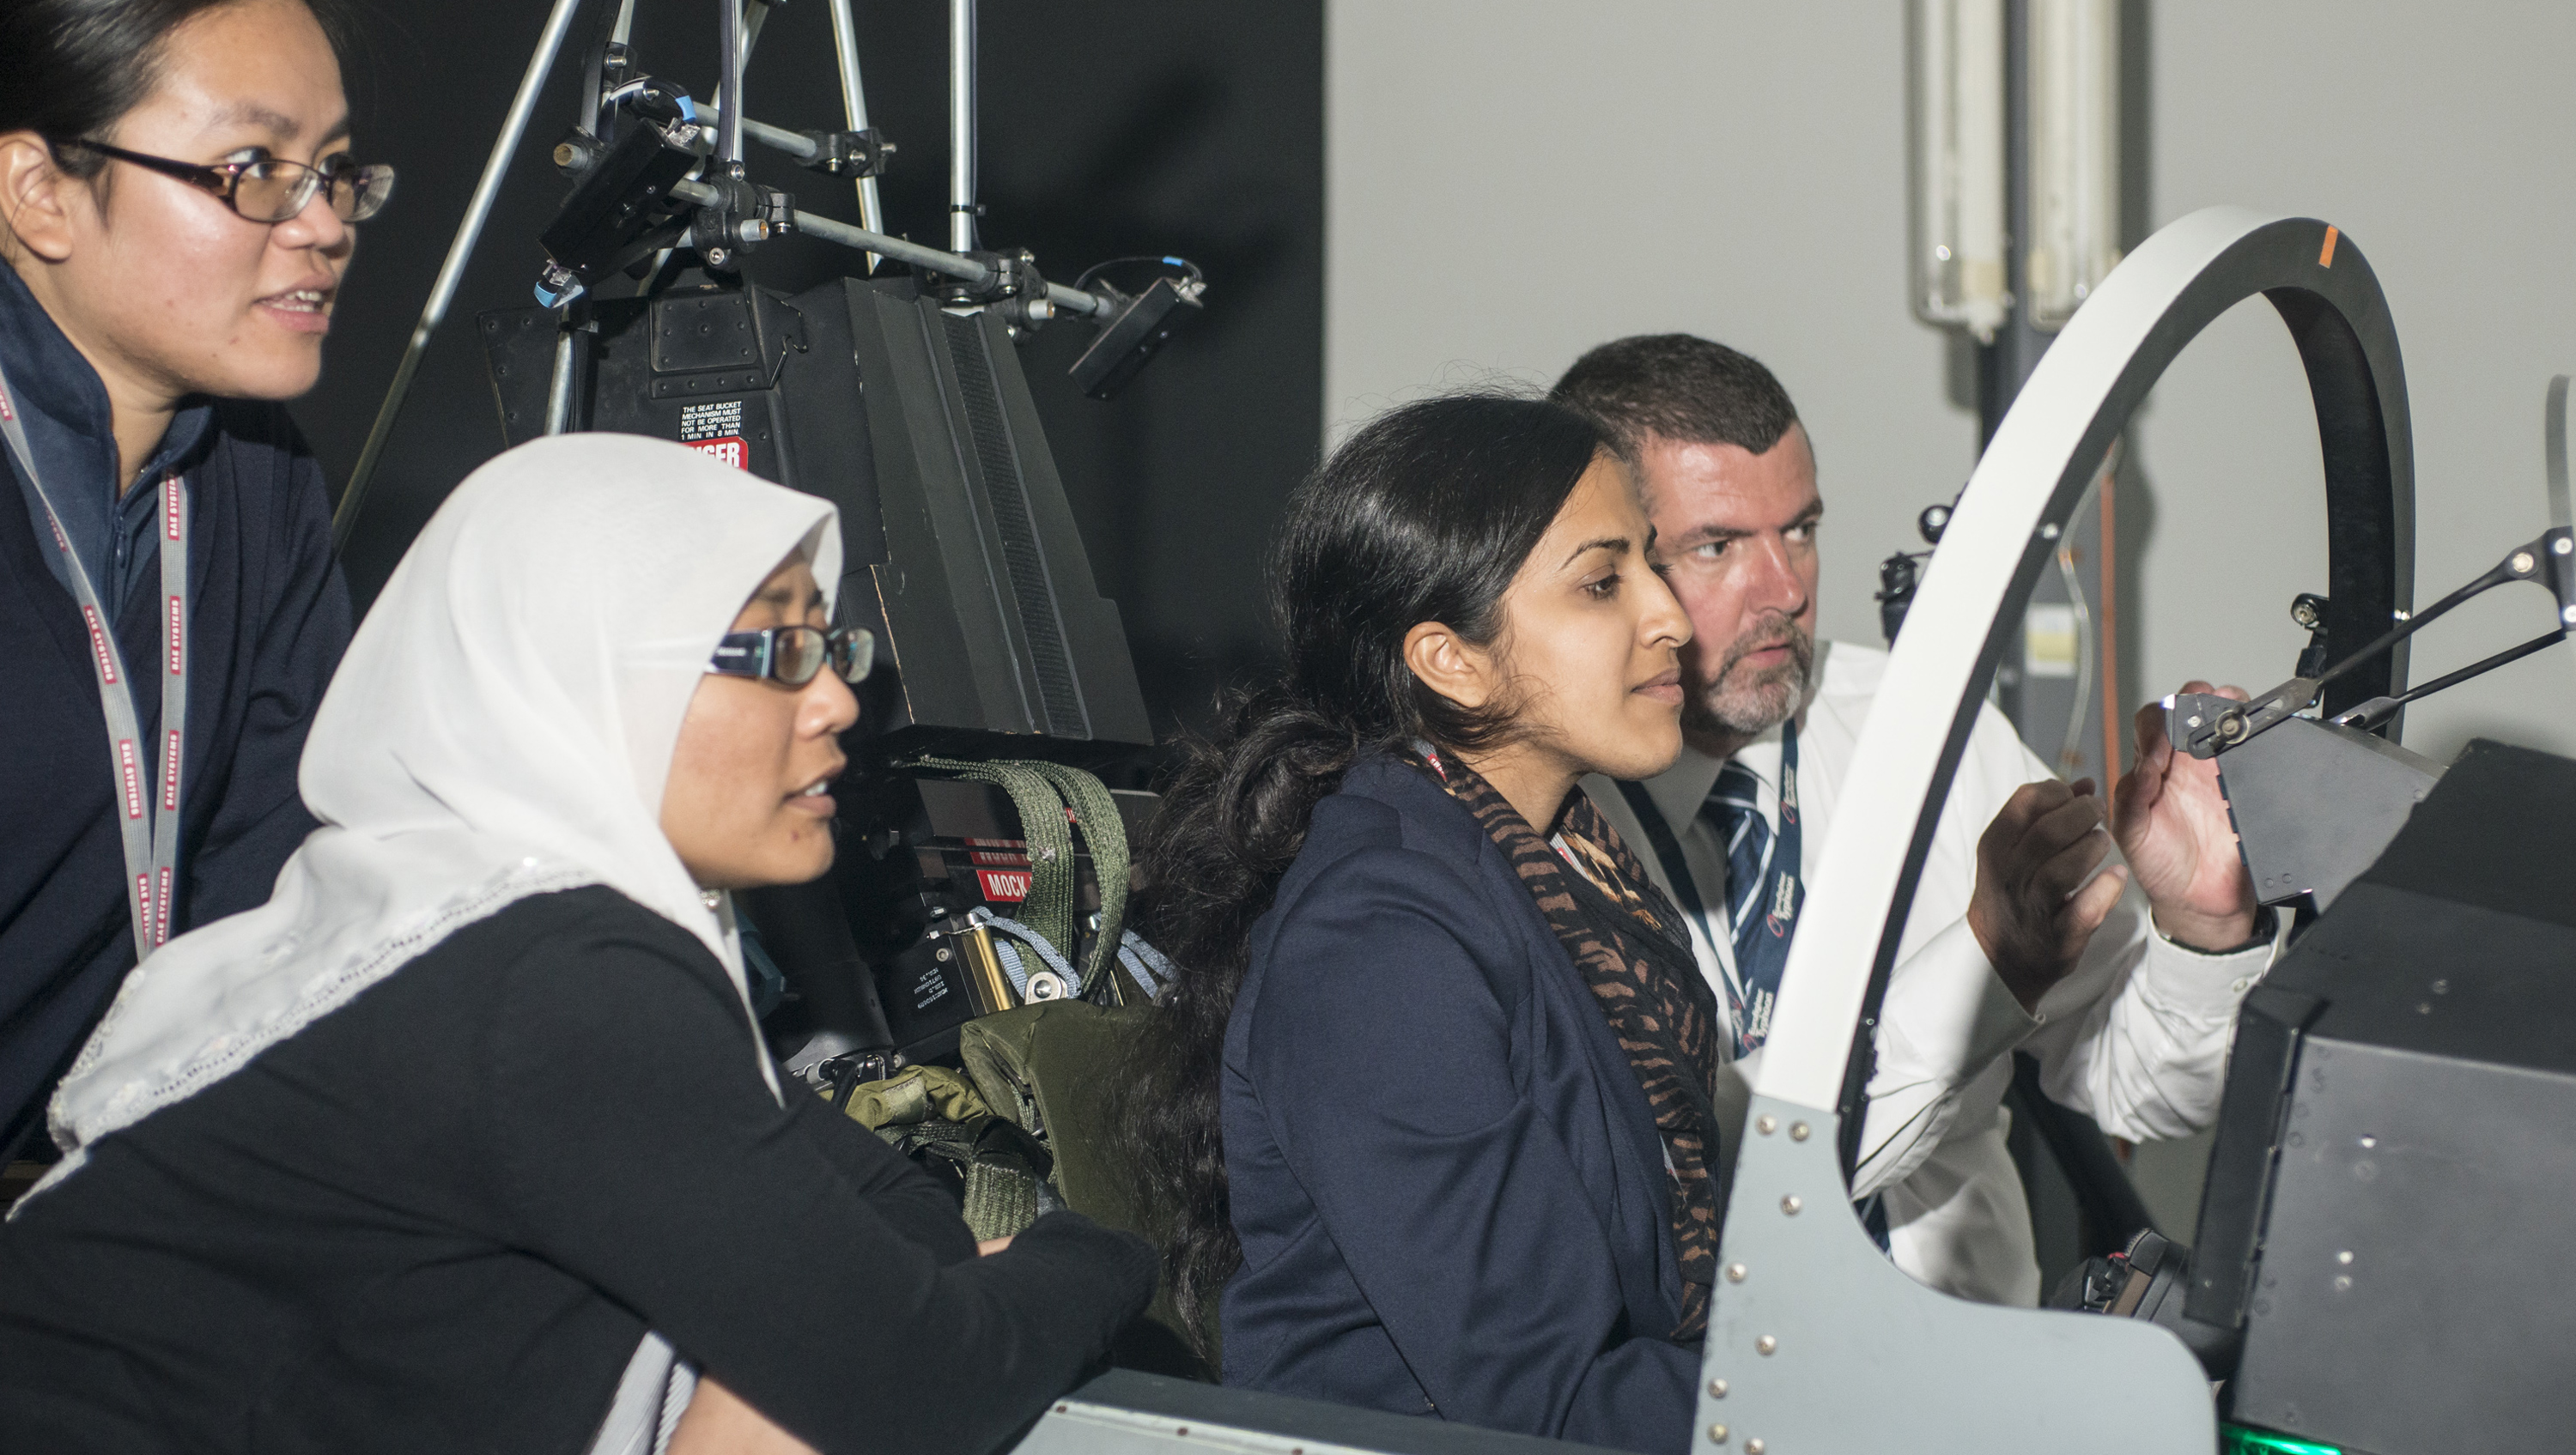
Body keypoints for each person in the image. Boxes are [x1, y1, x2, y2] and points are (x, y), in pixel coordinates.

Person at [0, 435, 1157, 1454]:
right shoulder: (556, 978)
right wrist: (1099, 1256)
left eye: (829, 645)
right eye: (775, 652)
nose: (839, 703)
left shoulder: (448, 929)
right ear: (580, 679)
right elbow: (915, 1373)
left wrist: (866, 1328)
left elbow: (894, 1220)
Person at [1552, 334, 2274, 1305]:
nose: (1786, 590)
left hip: (1969, 1367)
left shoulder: (1924, 726)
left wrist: (2203, 927)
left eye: (1800, 530)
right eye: (1717, 547)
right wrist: (1991, 963)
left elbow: (2147, 1083)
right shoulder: (1540, 807)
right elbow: (1697, 1177)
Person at [1125, 393, 1716, 1452]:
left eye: (1654, 565)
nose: (1672, 616)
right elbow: (1551, 1398)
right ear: (1451, 661)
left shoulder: (1557, 870)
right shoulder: (1379, 940)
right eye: (1603, 583)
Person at [0, 0, 386, 1160]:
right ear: (39, 192)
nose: (324, 225)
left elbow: (276, 893)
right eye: (253, 168)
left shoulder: (258, 477)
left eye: (333, 172)